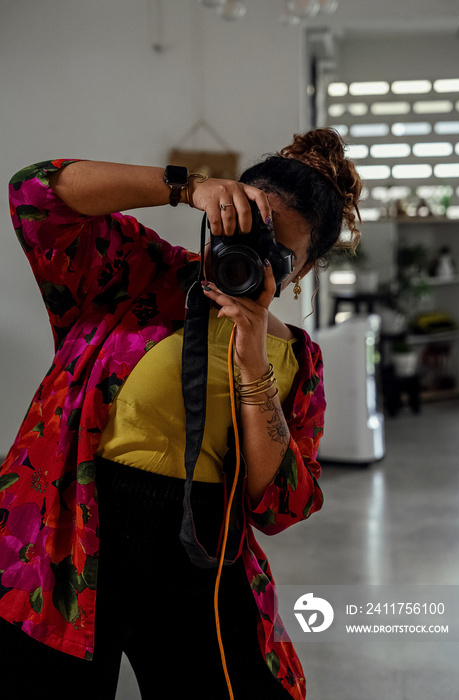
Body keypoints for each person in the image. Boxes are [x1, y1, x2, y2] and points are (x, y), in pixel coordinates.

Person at [0, 127, 362, 700]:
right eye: (246, 231)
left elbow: (282, 506)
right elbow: (35, 192)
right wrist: (183, 187)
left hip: (205, 547)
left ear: (304, 272)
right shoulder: (134, 272)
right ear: (219, 217)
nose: (253, 258)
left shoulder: (297, 359)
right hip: (70, 533)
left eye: (279, 256)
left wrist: (252, 366)